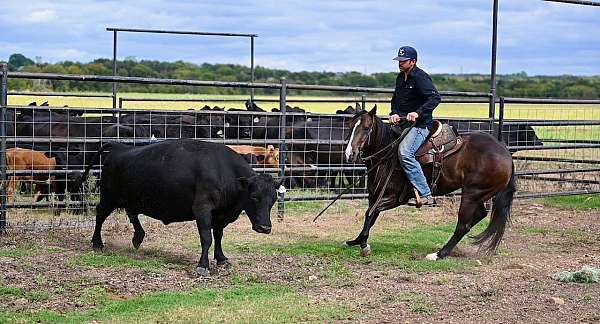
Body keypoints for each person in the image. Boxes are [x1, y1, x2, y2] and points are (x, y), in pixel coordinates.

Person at [389, 46, 441, 206]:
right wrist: (394, 113)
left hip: (420, 125)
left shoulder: (420, 77)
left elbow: (435, 98)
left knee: (405, 153)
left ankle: (425, 194)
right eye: (399, 60)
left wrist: (418, 112)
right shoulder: (400, 78)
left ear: (413, 61)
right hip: (403, 123)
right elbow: (395, 99)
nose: (400, 63)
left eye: (403, 61)